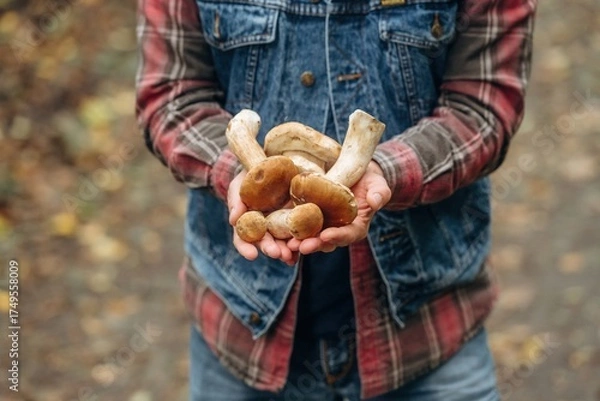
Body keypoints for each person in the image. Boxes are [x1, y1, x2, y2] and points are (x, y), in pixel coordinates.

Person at [136, 0, 536, 399]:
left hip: (427, 327)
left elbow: (483, 105)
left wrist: (386, 171)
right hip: (240, 328)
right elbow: (170, 96)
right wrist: (239, 170)